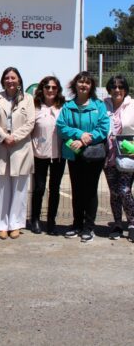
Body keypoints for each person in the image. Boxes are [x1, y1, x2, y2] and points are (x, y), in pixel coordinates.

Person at [56, 71, 110, 243]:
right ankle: (76, 224)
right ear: (75, 85)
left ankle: (89, 227)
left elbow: (103, 128)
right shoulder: (68, 106)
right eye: (81, 82)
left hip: (94, 155)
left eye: (87, 82)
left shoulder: (98, 106)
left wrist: (86, 140)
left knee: (90, 191)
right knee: (77, 190)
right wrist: (80, 135)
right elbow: (61, 127)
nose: (84, 85)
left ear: (91, 86)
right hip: (74, 154)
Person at [0, 67, 35, 240]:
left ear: (19, 80)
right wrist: (4, 137)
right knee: (1, 186)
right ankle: (0, 224)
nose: (10, 80)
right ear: (3, 81)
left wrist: (14, 137)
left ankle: (15, 224)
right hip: (1, 146)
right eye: (7, 78)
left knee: (19, 187)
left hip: (20, 147)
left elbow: (30, 122)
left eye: (13, 77)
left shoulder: (28, 99)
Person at [30, 76, 66, 235]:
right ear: (42, 89)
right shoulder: (35, 107)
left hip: (59, 155)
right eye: (47, 87)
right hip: (39, 155)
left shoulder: (63, 107)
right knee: (39, 188)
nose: (50, 90)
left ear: (58, 90)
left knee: (55, 188)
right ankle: (35, 219)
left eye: (54, 87)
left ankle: (51, 220)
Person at [103, 74, 134, 242]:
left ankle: (132, 223)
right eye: (114, 87)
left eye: (120, 87)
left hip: (128, 156)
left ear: (125, 89)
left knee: (124, 190)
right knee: (114, 192)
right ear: (109, 89)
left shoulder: (132, 105)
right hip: (108, 156)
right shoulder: (103, 106)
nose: (117, 90)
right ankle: (117, 224)